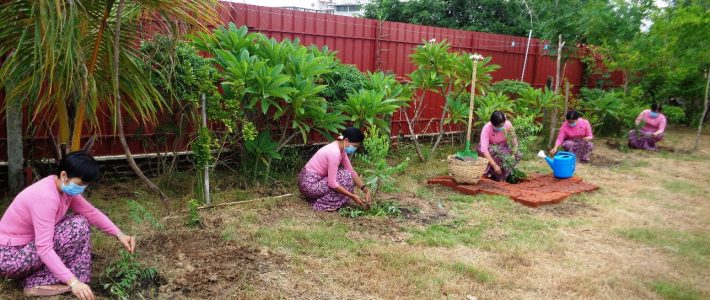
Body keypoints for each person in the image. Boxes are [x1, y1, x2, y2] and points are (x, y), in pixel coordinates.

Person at [0, 151, 136, 299]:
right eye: (80, 184)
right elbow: (44, 247)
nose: (82, 188)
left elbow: (90, 212)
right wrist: (73, 282)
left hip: (26, 249)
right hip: (10, 258)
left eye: (85, 185)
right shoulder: (45, 197)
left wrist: (119, 234)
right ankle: (35, 283)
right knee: (76, 226)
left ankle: (67, 277)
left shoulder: (63, 189)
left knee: (80, 222)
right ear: (64, 175)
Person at [298, 127, 371, 211]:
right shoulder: (334, 153)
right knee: (345, 176)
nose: (355, 149)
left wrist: (366, 190)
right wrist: (352, 196)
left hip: (308, 181)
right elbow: (332, 183)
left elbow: (351, 171)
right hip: (309, 185)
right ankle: (321, 203)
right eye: (355, 146)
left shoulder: (340, 148)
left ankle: (318, 198)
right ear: (346, 140)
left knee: (347, 175)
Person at [477, 111, 520, 182]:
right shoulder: (486, 128)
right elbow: (484, 150)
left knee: (518, 154)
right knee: (498, 153)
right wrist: (494, 165)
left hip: (503, 146)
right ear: (492, 123)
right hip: (491, 148)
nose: (501, 128)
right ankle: (492, 173)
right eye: (499, 127)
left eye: (502, 125)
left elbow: (514, 140)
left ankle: (507, 174)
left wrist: (513, 153)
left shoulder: (508, 124)